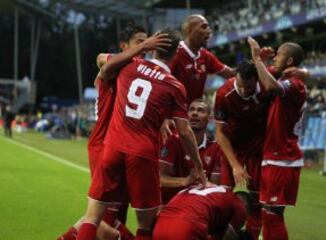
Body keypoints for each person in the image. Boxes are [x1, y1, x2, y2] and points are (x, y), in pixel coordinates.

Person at [76, 29, 207, 240]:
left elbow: (103, 62)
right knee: (146, 223)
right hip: (142, 153)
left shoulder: (129, 65)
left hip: (112, 147)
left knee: (92, 217)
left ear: (153, 47)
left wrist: (106, 71)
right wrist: (199, 168)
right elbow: (184, 130)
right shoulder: (175, 86)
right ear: (176, 54)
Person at [58, 25, 167, 240]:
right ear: (124, 46)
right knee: (101, 217)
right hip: (106, 143)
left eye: (147, 42)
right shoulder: (114, 66)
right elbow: (101, 58)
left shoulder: (136, 72)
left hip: (125, 145)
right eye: (140, 41)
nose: (146, 46)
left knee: (116, 213)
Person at [248, 36, 306, 240]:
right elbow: (259, 80)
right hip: (275, 156)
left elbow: (272, 87)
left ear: (289, 61)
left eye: (279, 54)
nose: (275, 57)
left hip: (283, 157)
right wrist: (260, 62)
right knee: (268, 212)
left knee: (272, 215)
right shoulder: (286, 80)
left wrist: (257, 58)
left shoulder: (296, 84)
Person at [214, 60, 270, 240]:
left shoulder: (266, 85)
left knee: (256, 201)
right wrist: (235, 165)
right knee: (223, 198)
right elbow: (220, 133)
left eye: (249, 88)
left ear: (257, 80)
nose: (244, 91)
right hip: (232, 148)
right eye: (240, 86)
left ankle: (252, 237)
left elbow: (286, 69)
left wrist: (305, 72)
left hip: (256, 149)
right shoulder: (224, 93)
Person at [160, 98, 225, 204]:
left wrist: (202, 183)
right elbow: (159, 178)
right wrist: (185, 181)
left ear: (209, 118)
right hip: (170, 204)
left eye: (200, 110)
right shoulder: (173, 141)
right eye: (191, 110)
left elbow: (214, 185)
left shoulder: (215, 147)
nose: (195, 113)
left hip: (196, 206)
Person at [170, 14, 237, 105]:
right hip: (174, 113)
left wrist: (256, 62)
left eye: (209, 27)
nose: (209, 31)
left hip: (193, 113)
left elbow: (231, 74)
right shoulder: (174, 53)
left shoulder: (205, 56)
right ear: (189, 31)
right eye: (204, 27)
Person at [153, 185, 253, 240]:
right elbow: (228, 236)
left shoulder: (214, 192)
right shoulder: (239, 205)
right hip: (188, 227)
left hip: (159, 226)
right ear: (246, 207)